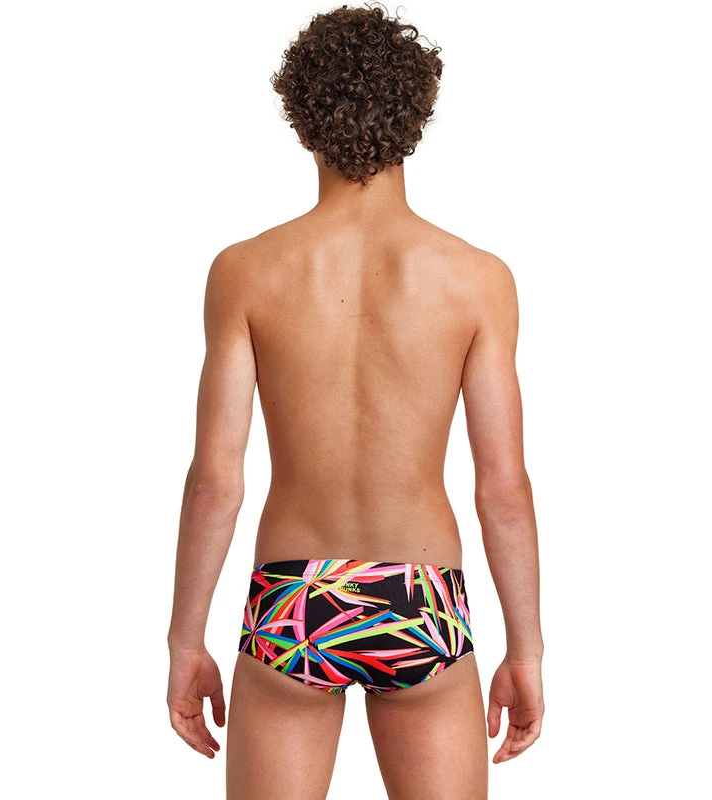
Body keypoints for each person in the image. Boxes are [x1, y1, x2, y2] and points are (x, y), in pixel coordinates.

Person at [166, 4, 544, 797]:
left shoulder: (246, 271)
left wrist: (184, 640)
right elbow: (502, 489)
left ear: (303, 120)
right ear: (415, 117)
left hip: (295, 599)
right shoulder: (478, 280)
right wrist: (527, 649)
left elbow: (215, 481)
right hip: (420, 600)